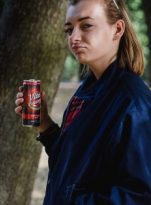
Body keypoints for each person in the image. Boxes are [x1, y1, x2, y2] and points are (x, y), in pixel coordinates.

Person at [15, 0, 151, 204]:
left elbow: (141, 195)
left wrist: (71, 199)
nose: (74, 37)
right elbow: (76, 162)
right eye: (69, 30)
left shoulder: (133, 102)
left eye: (86, 25)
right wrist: (45, 125)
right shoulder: (88, 89)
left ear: (118, 29)